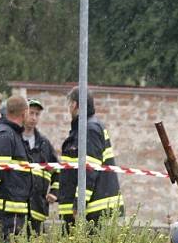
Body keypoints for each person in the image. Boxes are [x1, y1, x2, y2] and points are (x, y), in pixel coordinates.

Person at [58, 87, 123, 226]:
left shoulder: (89, 129)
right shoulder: (83, 128)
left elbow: (89, 170)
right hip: (90, 211)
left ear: (75, 104)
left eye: (70, 104)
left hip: (93, 212)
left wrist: (78, 204)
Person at [0, 95, 33, 241]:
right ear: (23, 113)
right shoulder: (5, 136)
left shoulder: (13, 134)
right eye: (29, 112)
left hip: (12, 212)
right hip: (4, 214)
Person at [23, 99, 60, 232]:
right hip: (17, 209)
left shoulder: (44, 144)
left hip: (38, 209)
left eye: (37, 114)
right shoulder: (14, 139)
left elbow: (58, 170)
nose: (34, 118)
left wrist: (54, 192)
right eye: (31, 113)